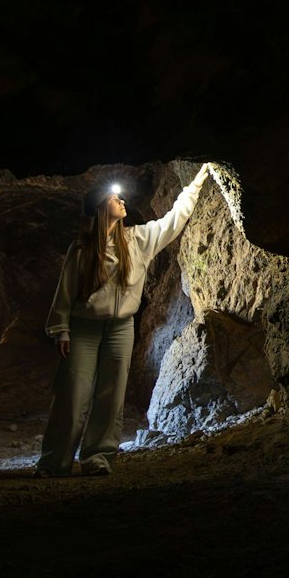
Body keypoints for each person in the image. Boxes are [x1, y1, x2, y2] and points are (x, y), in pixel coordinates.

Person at [38, 163, 213, 476]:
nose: (122, 202)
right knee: (72, 396)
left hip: (121, 328)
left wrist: (195, 184)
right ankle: (54, 462)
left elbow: (174, 220)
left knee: (111, 394)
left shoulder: (138, 240)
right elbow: (65, 291)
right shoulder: (81, 249)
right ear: (100, 207)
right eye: (114, 198)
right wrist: (60, 330)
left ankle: (97, 458)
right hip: (84, 329)